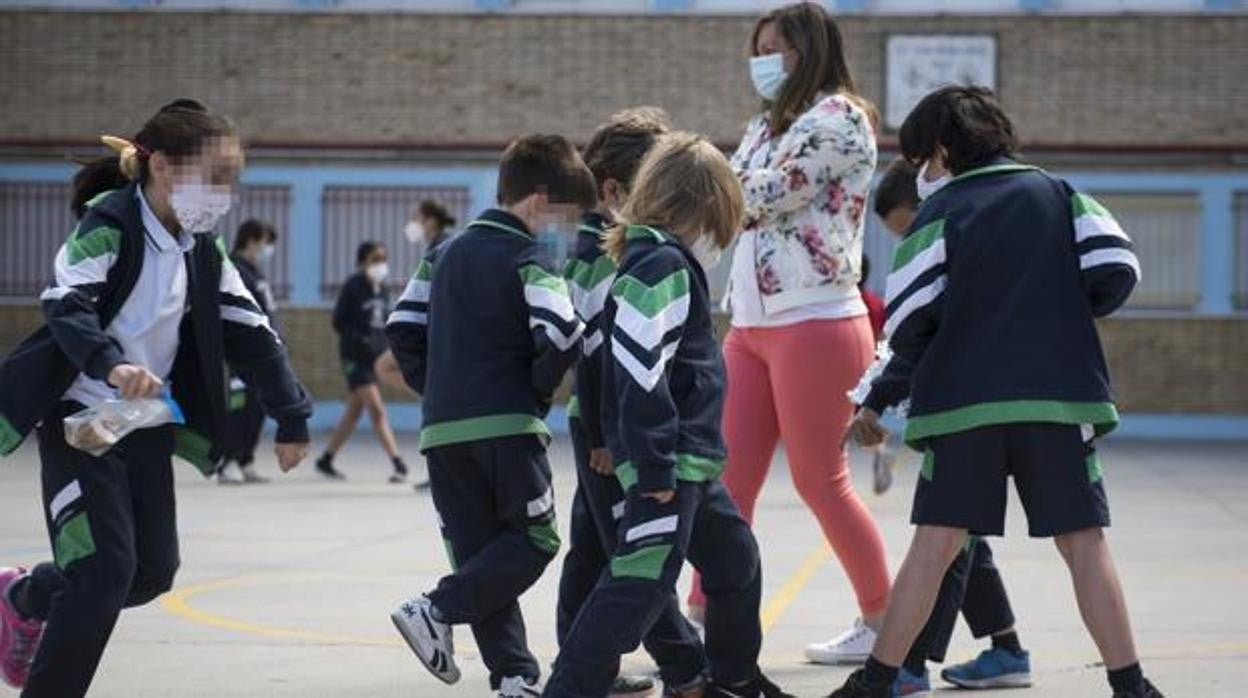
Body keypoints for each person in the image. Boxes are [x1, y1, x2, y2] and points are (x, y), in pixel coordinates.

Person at [830, 86, 1160, 698]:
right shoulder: (1059, 193)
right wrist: (1057, 311)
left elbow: (909, 324)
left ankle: (875, 682)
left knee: (934, 545)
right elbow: (1118, 267)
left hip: (965, 406)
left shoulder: (938, 215)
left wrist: (875, 401)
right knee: (1084, 544)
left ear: (946, 151)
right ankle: (1131, 684)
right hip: (1057, 400)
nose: (922, 173)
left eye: (923, 158)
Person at [0, 99, 311, 698]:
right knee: (100, 574)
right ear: (165, 167)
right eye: (217, 176)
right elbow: (67, 304)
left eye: (233, 179)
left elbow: (252, 332)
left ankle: (24, 595)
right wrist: (111, 365)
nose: (227, 192)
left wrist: (291, 413)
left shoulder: (203, 250)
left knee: (148, 574)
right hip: (80, 421)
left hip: (141, 424)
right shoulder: (108, 225)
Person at [545, 133, 790, 698]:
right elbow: (635, 368)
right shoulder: (660, 266)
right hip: (670, 466)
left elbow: (614, 358)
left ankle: (734, 678)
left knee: (735, 561)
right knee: (639, 578)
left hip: (695, 464)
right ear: (701, 210)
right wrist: (651, 465)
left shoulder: (657, 262)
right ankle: (570, 687)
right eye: (721, 223)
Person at [686, 1, 892, 665]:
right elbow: (733, 192)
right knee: (724, 479)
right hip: (749, 325)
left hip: (817, 320)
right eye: (759, 47)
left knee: (818, 480)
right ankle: (699, 615)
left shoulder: (840, 118)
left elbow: (766, 193)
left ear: (809, 49)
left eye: (776, 47)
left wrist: (712, 184)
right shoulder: (761, 124)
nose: (763, 60)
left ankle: (882, 620)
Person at [385, 134, 594, 698]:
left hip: (442, 432)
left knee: (480, 557)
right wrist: (537, 389)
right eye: (567, 219)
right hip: (507, 428)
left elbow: (402, 327)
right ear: (538, 203)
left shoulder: (441, 254)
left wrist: (438, 388)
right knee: (535, 540)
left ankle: (513, 675)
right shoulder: (530, 256)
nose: (566, 233)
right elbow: (564, 332)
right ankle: (434, 608)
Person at [555, 107, 707, 698]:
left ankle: (588, 660)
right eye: (656, 182)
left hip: (606, 428)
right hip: (608, 432)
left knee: (596, 548)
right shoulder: (601, 255)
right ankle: (683, 666)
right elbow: (595, 356)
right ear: (617, 190)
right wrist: (600, 438)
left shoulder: (618, 249)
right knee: (638, 559)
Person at [871, 156, 1032, 694]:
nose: (907, 244)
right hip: (954, 406)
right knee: (964, 537)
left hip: (983, 407)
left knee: (951, 538)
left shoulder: (968, 253)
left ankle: (911, 664)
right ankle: (1006, 647)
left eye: (910, 230)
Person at [315, 241, 409, 483]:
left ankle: (326, 459)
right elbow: (338, 321)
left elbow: (384, 322)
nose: (380, 265)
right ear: (363, 261)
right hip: (354, 358)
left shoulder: (383, 289)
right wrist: (360, 340)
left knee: (353, 413)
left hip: (374, 359)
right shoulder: (353, 286)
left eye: (383, 259)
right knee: (376, 409)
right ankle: (398, 463)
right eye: (375, 259)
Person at [217, 218, 281, 485]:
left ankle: (246, 460)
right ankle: (228, 461)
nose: (268, 249)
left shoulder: (256, 271)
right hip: (243, 352)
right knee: (240, 408)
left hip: (264, 351)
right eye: (266, 243)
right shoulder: (235, 270)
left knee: (257, 408)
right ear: (252, 241)